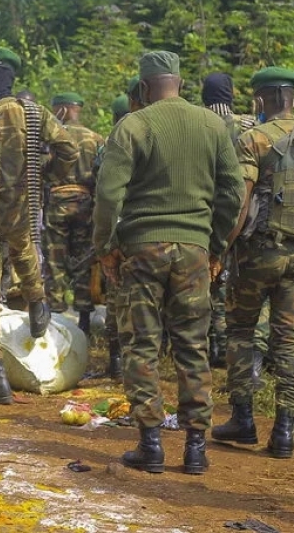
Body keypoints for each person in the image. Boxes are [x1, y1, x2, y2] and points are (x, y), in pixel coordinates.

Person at [94, 51, 244, 475]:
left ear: (143, 88)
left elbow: (108, 195)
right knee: (192, 345)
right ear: (179, 83)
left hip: (141, 250)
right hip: (194, 250)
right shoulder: (213, 126)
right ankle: (196, 448)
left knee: (142, 345)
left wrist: (105, 244)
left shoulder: (133, 125)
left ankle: (151, 444)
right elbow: (232, 193)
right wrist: (213, 244)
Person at [0, 47, 77, 404]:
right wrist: (45, 175)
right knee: (26, 255)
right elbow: (67, 149)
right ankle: (38, 305)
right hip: (23, 211)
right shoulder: (34, 113)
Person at [212, 66, 294, 459]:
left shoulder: (254, 139)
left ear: (261, 101)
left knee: (242, 331)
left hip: (258, 255)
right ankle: (285, 430)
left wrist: (222, 248)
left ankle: (243, 419)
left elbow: (240, 204)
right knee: (289, 340)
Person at [201, 73, 257, 368]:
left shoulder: (197, 121)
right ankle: (227, 347)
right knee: (231, 279)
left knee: (205, 279)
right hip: (241, 211)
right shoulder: (247, 124)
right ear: (231, 94)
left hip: (204, 211)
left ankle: (209, 344)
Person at [43, 92, 105, 337]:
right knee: (83, 261)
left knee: (56, 261)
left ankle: (57, 317)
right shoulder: (96, 139)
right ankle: (84, 320)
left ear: (63, 110)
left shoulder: (55, 137)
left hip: (58, 201)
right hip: (85, 204)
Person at [98, 92, 132, 377]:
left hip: (120, 229)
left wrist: (104, 242)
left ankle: (116, 359)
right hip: (146, 230)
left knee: (115, 295)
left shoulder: (111, 144)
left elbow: (105, 193)